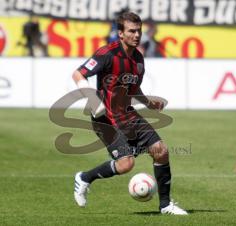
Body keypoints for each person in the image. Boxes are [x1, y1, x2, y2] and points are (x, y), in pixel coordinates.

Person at [72, 12, 187, 215]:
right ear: (121, 34)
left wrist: (148, 102)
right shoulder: (107, 53)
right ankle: (84, 178)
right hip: (105, 119)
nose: (136, 35)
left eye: (139, 31)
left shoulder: (139, 59)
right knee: (126, 164)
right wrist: (91, 98)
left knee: (161, 151)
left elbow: (132, 90)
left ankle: (165, 205)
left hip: (128, 115)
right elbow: (78, 73)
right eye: (131, 31)